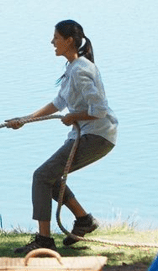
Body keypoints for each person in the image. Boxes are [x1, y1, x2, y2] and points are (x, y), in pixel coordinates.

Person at [6, 19, 117, 254]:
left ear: (68, 41)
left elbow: (99, 110)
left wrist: (74, 116)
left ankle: (44, 240)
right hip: (91, 134)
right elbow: (58, 102)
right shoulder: (73, 68)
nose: (51, 42)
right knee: (51, 178)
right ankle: (84, 220)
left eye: (55, 38)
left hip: (97, 136)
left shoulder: (81, 70)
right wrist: (25, 120)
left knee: (41, 177)